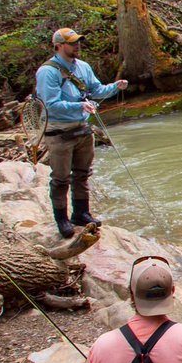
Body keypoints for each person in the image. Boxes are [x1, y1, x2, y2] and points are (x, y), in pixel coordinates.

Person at [34, 27, 128, 238]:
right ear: (59, 47)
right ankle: (62, 221)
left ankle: (81, 214)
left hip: (82, 129)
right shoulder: (47, 72)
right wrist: (80, 107)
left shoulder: (83, 67)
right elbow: (50, 105)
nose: (77, 45)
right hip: (59, 132)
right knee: (60, 178)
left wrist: (115, 87)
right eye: (72, 43)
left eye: (78, 42)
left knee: (83, 174)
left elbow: (96, 90)